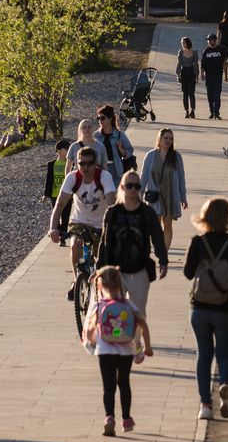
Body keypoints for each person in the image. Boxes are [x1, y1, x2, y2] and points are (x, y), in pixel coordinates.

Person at [184, 197, 228, 420]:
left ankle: (205, 405)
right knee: (225, 354)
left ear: (204, 217)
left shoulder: (197, 242)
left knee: (203, 356)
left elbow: (187, 273)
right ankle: (224, 384)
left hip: (200, 309)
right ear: (227, 218)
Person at [97, 170, 169, 361]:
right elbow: (104, 243)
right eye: (129, 185)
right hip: (115, 272)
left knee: (138, 311)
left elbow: (158, 237)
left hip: (139, 270)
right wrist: (99, 269)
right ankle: (119, 345)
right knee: (115, 310)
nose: (133, 189)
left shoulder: (147, 212)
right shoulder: (112, 212)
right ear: (122, 187)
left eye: (137, 186)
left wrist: (163, 261)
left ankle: (136, 344)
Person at [83, 266, 153, 436]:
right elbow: (142, 323)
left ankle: (109, 418)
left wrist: (91, 342)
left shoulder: (98, 306)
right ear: (120, 284)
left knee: (108, 386)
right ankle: (127, 419)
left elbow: (91, 330)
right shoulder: (128, 304)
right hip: (126, 352)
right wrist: (147, 346)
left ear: (100, 286)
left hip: (105, 351)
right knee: (124, 383)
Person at [49, 146, 117, 300]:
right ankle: (76, 279)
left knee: (104, 259)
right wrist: (53, 228)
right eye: (81, 163)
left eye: (89, 163)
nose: (85, 167)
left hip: (102, 223)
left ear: (96, 163)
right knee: (75, 245)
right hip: (79, 221)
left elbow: (112, 201)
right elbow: (60, 204)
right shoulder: (73, 177)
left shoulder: (104, 176)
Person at [140, 128, 188, 252]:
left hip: (170, 195)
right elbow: (144, 176)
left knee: (168, 224)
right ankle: (158, 244)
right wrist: (138, 196)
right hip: (155, 195)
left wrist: (183, 197)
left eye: (171, 139)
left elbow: (181, 177)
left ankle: (164, 252)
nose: (168, 141)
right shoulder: (150, 155)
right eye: (166, 138)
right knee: (155, 225)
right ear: (159, 139)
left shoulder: (176, 156)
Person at [94, 104, 134, 181]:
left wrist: (120, 148)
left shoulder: (119, 135)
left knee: (116, 192)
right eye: (98, 118)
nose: (100, 121)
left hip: (116, 170)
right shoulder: (96, 136)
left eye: (102, 118)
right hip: (100, 169)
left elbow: (129, 151)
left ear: (110, 119)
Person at [42, 139, 71, 243]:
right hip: (55, 194)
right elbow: (49, 180)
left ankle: (63, 235)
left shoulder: (71, 164)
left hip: (68, 195)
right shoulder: (52, 164)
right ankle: (57, 232)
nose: (68, 150)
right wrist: (45, 194)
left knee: (66, 216)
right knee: (56, 214)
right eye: (66, 148)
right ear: (58, 151)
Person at [200, 34, 228, 120]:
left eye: (211, 40)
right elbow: (203, 63)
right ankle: (211, 112)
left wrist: (226, 64)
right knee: (210, 95)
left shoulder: (221, 50)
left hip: (218, 75)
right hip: (209, 75)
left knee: (216, 95)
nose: (209, 42)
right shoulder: (206, 51)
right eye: (208, 40)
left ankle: (216, 113)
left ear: (215, 40)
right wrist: (202, 73)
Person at [176, 37, 199, 119]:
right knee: (184, 93)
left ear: (188, 43)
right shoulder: (181, 52)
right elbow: (179, 64)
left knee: (191, 92)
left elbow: (196, 64)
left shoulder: (194, 52)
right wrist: (178, 74)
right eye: (182, 43)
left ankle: (193, 110)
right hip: (184, 73)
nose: (183, 45)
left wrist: (196, 75)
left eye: (184, 43)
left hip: (191, 72)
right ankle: (186, 111)